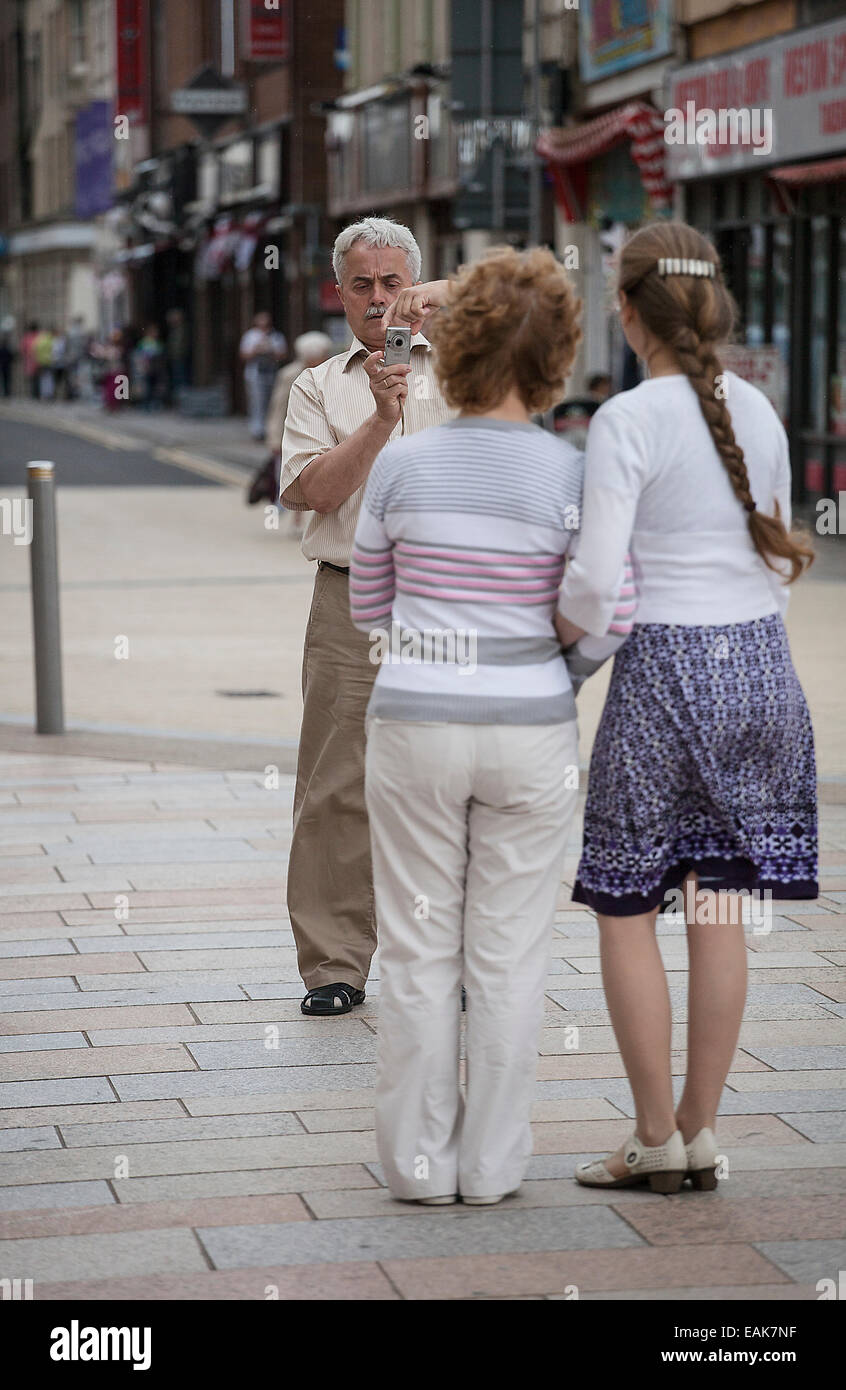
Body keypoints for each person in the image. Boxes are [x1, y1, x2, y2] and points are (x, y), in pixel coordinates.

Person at [349, 246, 635, 1205]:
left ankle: (418, 1167)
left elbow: (369, 612)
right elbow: (614, 608)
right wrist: (554, 669)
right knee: (509, 951)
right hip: (531, 730)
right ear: (555, 357)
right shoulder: (576, 474)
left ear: (451, 345)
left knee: (418, 946)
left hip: (415, 726)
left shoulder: (402, 466)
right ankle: (492, 1164)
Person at [557, 220, 817, 1194]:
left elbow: (594, 582)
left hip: (664, 671)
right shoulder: (760, 410)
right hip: (759, 664)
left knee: (624, 906)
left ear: (626, 311)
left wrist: (566, 655)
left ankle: (652, 1134)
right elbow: (776, 557)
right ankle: (702, 1132)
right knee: (722, 906)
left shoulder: (626, 420)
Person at [279, 216, 453, 1016]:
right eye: (362, 285)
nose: (379, 301)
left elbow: (543, 309)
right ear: (339, 294)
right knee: (335, 787)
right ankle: (336, 965)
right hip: (350, 596)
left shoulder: (464, 367)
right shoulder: (319, 384)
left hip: (449, 597)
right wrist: (380, 420)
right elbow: (315, 491)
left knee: (446, 783)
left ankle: (443, 960)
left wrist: (458, 301)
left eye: (393, 283)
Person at [247, 332, 334, 519]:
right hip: (292, 435)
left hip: (321, 433)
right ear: (311, 356)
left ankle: (299, 520)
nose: (327, 356)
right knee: (293, 481)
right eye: (323, 353)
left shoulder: (330, 373)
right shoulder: (289, 375)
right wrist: (274, 439)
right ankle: (288, 520)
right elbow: (278, 408)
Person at [240, 311, 287, 439]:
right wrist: (256, 349)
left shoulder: (276, 336)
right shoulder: (251, 336)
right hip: (256, 373)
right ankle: (257, 430)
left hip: (272, 372)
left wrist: (270, 349)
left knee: (273, 402)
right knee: (257, 401)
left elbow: (282, 354)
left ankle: (270, 429)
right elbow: (244, 355)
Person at [165, 308, 190, 402]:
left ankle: (184, 399)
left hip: (180, 357)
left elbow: (182, 344)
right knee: (177, 378)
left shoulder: (182, 330)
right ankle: (179, 399)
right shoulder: (174, 330)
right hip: (175, 358)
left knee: (181, 379)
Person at [21, 323, 40, 398]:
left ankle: (33, 394)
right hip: (39, 360)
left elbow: (23, 349)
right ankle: (36, 394)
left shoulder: (27, 337)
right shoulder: (39, 336)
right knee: (37, 378)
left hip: (30, 360)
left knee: (32, 378)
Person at [0, 322, 15, 397]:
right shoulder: (7, 349)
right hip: (6, 365)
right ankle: (7, 392)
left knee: (5, 379)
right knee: (7, 379)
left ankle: (6, 393)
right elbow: (11, 356)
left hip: (4, 365)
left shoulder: (2, 349)